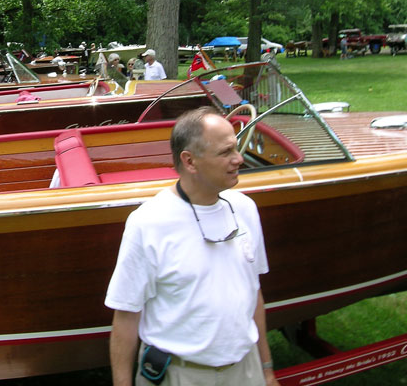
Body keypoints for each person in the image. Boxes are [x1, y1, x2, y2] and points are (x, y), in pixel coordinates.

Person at [105, 108, 278, 386]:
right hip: (180, 375)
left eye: (236, 147)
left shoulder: (245, 209)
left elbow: (253, 293)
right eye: (225, 152)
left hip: (247, 371)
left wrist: (267, 371)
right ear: (190, 161)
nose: (239, 159)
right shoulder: (149, 222)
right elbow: (126, 316)